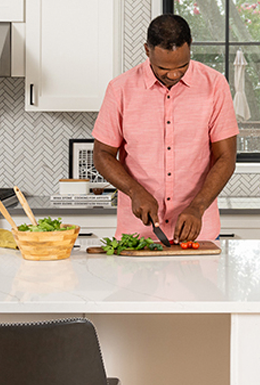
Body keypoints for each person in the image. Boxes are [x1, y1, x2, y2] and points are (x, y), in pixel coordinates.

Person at [92, 15, 239, 242]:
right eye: (162, 68)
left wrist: (198, 207)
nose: (173, 75)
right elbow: (102, 155)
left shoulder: (215, 85)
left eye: (182, 67)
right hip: (138, 235)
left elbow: (226, 157)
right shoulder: (119, 89)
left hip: (199, 234)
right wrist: (134, 191)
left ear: (190, 45)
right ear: (147, 51)